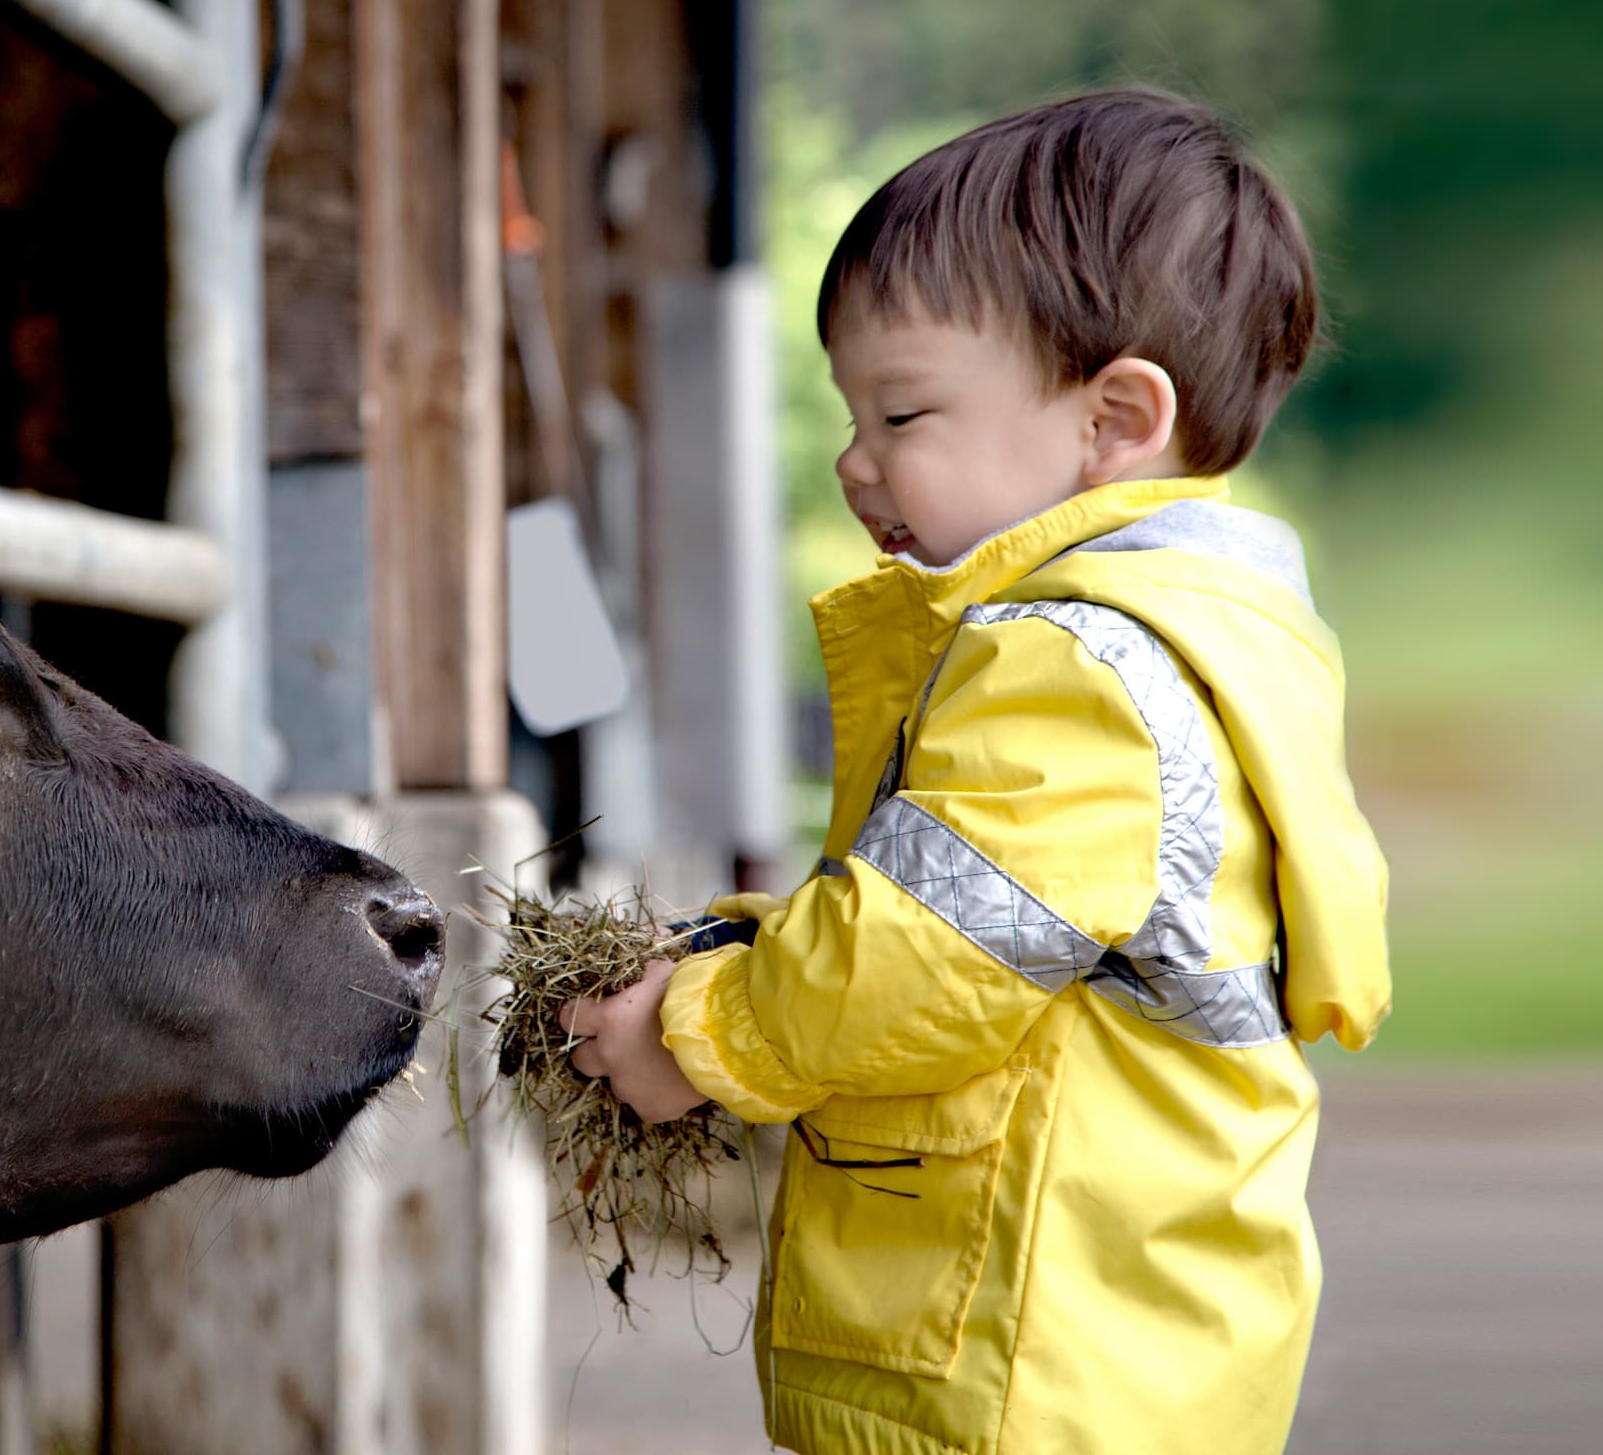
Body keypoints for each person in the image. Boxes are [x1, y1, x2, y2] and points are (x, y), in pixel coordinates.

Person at [560, 89, 1391, 1455]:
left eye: (900, 413)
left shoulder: (1067, 666)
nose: (851, 461)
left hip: (1016, 1343)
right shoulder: (1210, 636)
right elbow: (1011, 936)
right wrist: (744, 943)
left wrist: (697, 1034)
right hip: (1116, 1331)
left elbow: (923, 959)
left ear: (1112, 418)